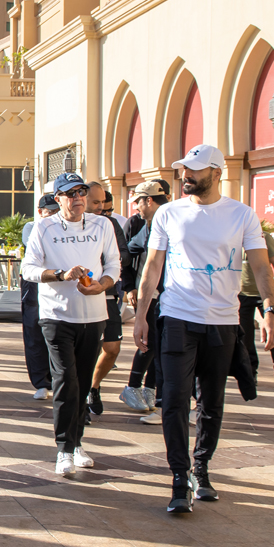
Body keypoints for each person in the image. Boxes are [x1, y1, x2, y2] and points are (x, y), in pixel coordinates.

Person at [134, 144, 274, 513]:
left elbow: (261, 268)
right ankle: (179, 477)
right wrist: (140, 315)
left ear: (216, 172)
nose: (187, 176)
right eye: (184, 170)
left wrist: (271, 311)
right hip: (178, 317)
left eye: (195, 171)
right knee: (175, 401)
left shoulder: (241, 215)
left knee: (212, 403)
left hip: (223, 322)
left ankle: (202, 467)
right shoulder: (168, 213)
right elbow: (152, 267)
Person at [22, 172, 120, 476]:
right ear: (58, 198)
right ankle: (63, 448)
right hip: (56, 315)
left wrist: (102, 285)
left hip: (93, 316)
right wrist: (62, 274)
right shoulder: (44, 226)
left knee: (83, 379)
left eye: (81, 192)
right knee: (65, 378)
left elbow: (114, 265)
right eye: (70, 193)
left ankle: (77, 444)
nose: (77, 197)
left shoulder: (103, 225)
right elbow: (28, 269)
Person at [119, 181, 169, 423]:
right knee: (152, 343)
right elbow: (131, 251)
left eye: (138, 202)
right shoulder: (147, 224)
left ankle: (150, 393)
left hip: (172, 296)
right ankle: (141, 390)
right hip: (156, 295)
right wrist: (129, 285)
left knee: (159, 345)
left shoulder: (166, 219)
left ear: (148, 200)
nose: (137, 208)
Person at [83, 181, 130, 419]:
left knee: (111, 349)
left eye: (103, 203)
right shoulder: (69, 226)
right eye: (96, 202)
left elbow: (124, 256)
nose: (101, 207)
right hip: (79, 298)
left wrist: (103, 265)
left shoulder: (110, 224)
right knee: (82, 351)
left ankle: (94, 386)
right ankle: (80, 399)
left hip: (108, 294)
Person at [239, 228, 274, 386]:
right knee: (246, 335)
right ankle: (251, 372)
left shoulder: (264, 237)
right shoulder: (232, 237)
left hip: (265, 295)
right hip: (241, 295)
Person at [20, 195, 59, 400]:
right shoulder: (31, 227)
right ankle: (41, 382)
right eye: (50, 211)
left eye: (56, 210)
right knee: (34, 333)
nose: (54, 215)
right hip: (34, 284)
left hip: (59, 284)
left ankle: (56, 378)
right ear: (40, 211)